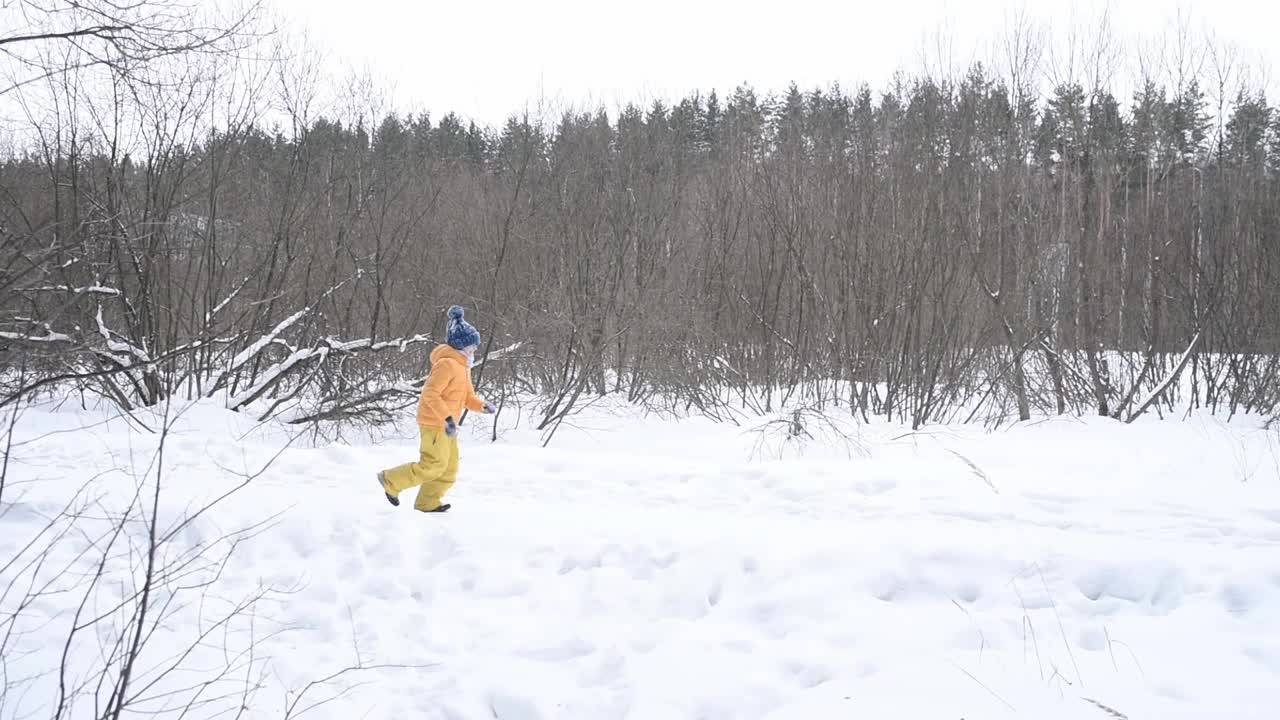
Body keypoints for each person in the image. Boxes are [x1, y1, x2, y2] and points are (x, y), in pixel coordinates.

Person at [376, 305, 494, 512]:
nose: (475, 350)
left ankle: (427, 503)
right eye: (471, 346)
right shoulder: (447, 365)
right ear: (460, 345)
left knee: (449, 469)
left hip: (449, 425)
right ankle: (390, 481)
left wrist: (481, 406)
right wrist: (447, 418)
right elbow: (430, 394)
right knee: (433, 465)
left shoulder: (463, 368)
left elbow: (467, 397)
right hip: (435, 423)